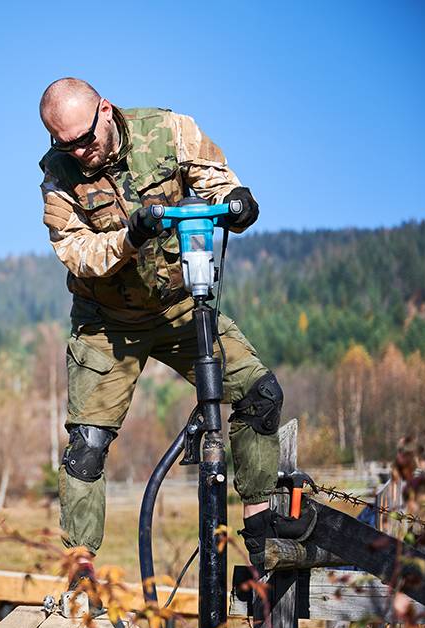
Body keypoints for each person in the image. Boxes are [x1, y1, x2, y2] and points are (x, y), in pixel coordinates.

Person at [37, 77, 315, 594]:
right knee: (87, 448)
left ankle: (260, 538)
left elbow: (217, 179)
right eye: (65, 143)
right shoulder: (57, 180)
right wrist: (129, 235)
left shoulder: (168, 131)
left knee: (259, 394)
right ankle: (80, 579)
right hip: (107, 323)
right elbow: (78, 254)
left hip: (181, 307)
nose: (80, 151)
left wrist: (236, 200)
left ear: (105, 110)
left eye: (84, 138)